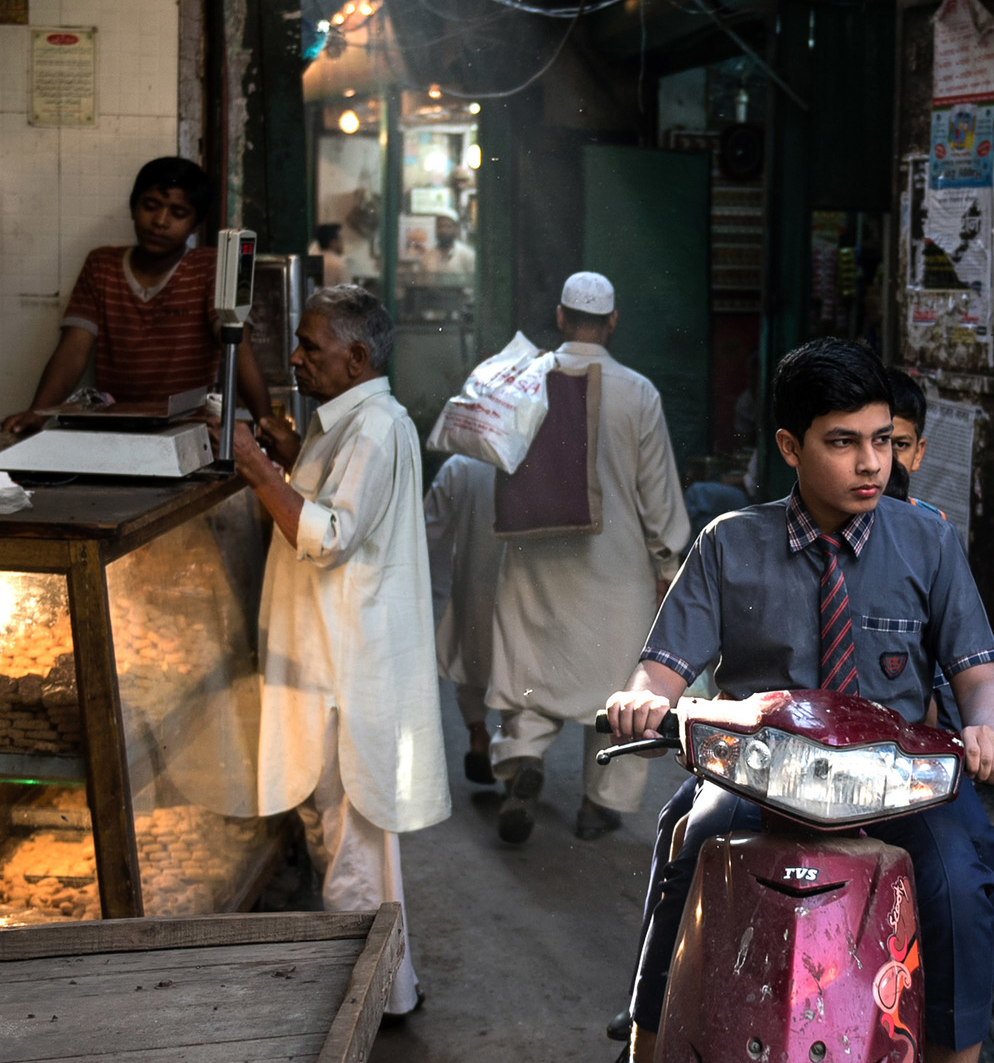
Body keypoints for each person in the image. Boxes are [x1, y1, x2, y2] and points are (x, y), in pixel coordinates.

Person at [603, 338, 994, 1063]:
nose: (872, 462)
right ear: (790, 447)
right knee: (687, 845)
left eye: (884, 441)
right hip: (767, 778)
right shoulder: (730, 545)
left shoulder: (928, 541)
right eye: (843, 442)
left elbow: (979, 672)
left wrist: (990, 726)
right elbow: (663, 666)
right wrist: (646, 700)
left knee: (960, 876)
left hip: (900, 780)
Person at [230, 284, 449, 1019]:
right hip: (329, 661)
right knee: (340, 830)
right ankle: (386, 989)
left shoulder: (376, 427)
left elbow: (326, 536)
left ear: (356, 357)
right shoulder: (349, 422)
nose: (294, 358)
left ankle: (367, 1000)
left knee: (356, 838)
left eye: (309, 346)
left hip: (351, 668)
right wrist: (292, 458)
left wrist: (258, 470)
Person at [484, 272, 690, 844]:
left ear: (559, 316)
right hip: (617, 569)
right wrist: (668, 563)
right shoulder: (638, 392)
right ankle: (601, 804)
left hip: (534, 559)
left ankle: (523, 759)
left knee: (531, 668)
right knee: (620, 687)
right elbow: (659, 493)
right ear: (612, 323)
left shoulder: (524, 379)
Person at [5, 157, 270, 435]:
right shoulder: (101, 266)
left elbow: (238, 350)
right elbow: (73, 353)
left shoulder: (209, 268)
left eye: (178, 213)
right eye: (151, 206)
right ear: (133, 208)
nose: (160, 222)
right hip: (113, 426)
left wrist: (266, 424)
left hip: (190, 429)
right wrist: (36, 413)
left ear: (195, 225)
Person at [425, 451, 502, 786]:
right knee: (521, 673)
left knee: (471, 667)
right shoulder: (535, 459)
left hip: (472, 584)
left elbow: (428, 529)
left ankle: (479, 735)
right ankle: (520, 753)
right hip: (525, 587)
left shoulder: (461, 465)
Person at [883, 365, 952, 527]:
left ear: (918, 453)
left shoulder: (935, 529)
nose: (888, 458)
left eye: (901, 444)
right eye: (879, 441)